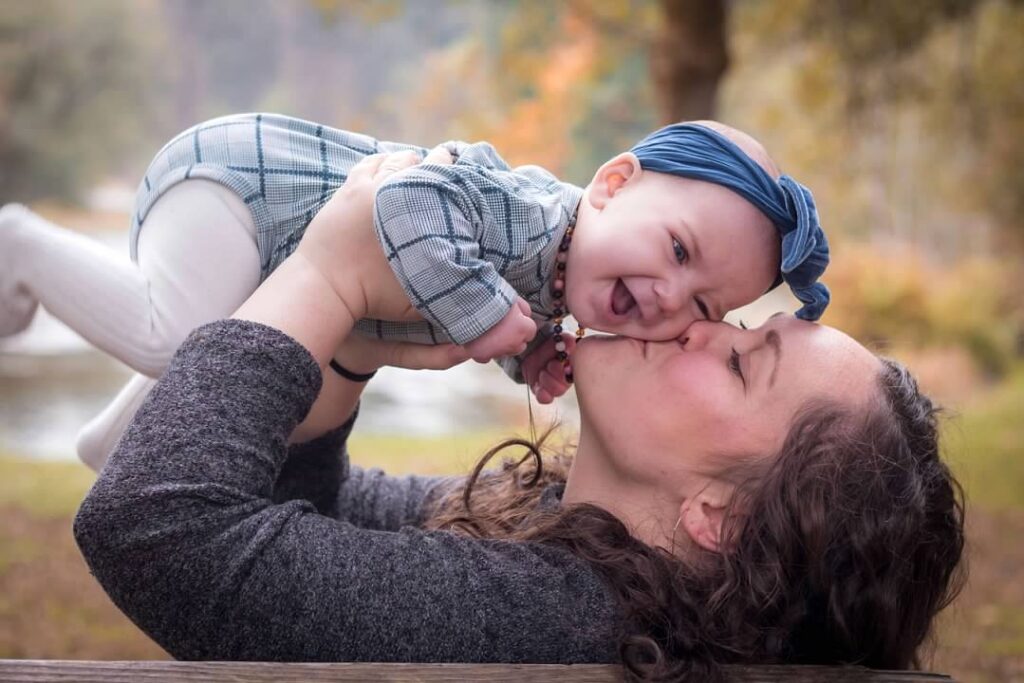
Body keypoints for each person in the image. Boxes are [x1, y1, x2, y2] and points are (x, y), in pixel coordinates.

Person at [73, 152, 965, 682]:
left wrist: (330, 274)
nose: (696, 327)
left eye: (738, 360)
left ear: (720, 516)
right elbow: (326, 519)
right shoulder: (576, 557)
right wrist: (346, 356)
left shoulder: (560, 621)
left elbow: (156, 525)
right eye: (734, 322)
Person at [0, 112, 829, 470]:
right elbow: (402, 202)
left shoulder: (556, 278)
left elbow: (484, 308)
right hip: (243, 191)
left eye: (702, 307)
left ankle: (110, 443)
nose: (667, 297)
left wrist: (530, 355)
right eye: (677, 249)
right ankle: (21, 246)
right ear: (611, 185)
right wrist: (484, 316)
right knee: (175, 336)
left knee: (223, 344)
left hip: (264, 251)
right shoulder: (526, 212)